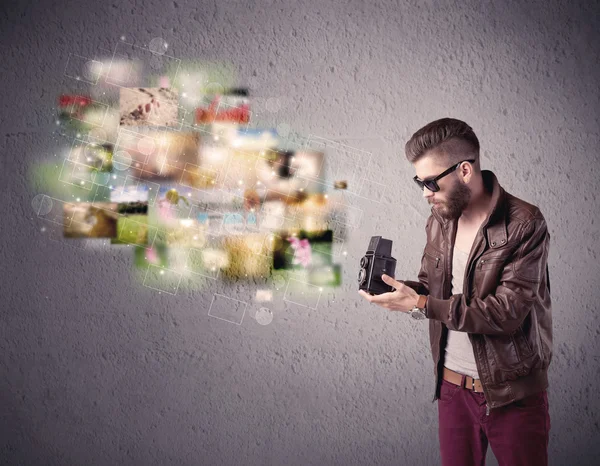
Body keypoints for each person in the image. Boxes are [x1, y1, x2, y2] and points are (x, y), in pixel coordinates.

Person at [358, 117, 552, 466]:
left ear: (464, 170)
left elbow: (505, 313)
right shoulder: (440, 219)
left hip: (512, 395)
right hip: (451, 390)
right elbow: (434, 290)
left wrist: (419, 303)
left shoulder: (525, 224)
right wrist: (401, 292)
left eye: (431, 181)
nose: (425, 193)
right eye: (419, 181)